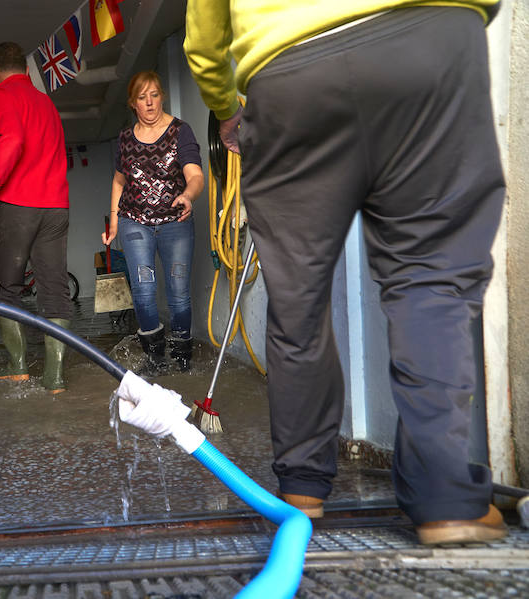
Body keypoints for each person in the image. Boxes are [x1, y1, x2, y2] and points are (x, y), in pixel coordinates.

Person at [184, 1, 507, 544]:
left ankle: (302, 488)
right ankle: (446, 498)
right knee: (431, 277)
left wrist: (223, 104)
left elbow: (202, 36)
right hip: (429, 43)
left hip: (289, 75)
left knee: (297, 293)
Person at [0, 41, 71, 393]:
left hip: (18, 205)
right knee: (54, 288)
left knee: (7, 288)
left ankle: (17, 367)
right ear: (28, 70)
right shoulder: (46, 102)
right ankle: (55, 378)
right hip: (56, 206)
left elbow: (12, 140)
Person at [103, 71, 204, 374]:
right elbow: (119, 181)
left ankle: (183, 359)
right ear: (133, 103)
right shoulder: (125, 139)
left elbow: (196, 176)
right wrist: (114, 221)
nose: (149, 103)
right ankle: (155, 359)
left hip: (175, 223)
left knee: (179, 292)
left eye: (154, 95)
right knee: (144, 292)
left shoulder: (180, 131)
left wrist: (188, 196)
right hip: (135, 222)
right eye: (142, 97)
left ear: (162, 96)